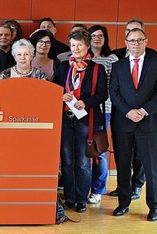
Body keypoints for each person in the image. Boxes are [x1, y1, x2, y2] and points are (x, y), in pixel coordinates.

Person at [54, 29, 107, 214]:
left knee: (84, 162)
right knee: (67, 161)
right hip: (67, 119)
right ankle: (69, 197)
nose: (76, 48)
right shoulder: (63, 67)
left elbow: (103, 94)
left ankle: (81, 198)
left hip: (87, 120)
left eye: (80, 45)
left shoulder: (97, 68)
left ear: (87, 46)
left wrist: (87, 101)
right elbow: (55, 90)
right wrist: (62, 95)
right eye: (73, 45)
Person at [110, 27, 157, 221]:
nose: (135, 44)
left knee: (151, 167)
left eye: (139, 40)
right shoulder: (119, 65)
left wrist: (144, 110)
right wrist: (128, 111)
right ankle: (123, 203)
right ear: (126, 43)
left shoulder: (155, 63)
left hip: (149, 122)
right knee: (122, 165)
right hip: (123, 122)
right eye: (132, 40)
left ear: (146, 41)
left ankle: (154, 207)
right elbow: (114, 92)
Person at [87, 25, 118, 204]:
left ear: (105, 39)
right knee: (83, 151)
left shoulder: (112, 59)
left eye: (100, 36)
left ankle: (98, 189)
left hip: (103, 109)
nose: (96, 39)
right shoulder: (82, 57)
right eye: (93, 36)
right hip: (81, 109)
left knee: (99, 149)